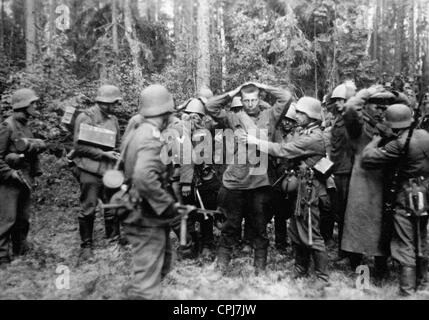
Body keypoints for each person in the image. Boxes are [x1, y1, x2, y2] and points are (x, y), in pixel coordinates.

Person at [206, 82, 292, 273]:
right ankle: (221, 266)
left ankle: (260, 269)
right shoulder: (233, 117)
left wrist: (262, 85)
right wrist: (233, 91)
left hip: (260, 182)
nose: (251, 104)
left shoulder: (270, 115)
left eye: (254, 99)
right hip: (236, 180)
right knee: (230, 225)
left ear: (259, 99)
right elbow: (211, 106)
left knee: (260, 227)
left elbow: (285, 96)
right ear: (242, 101)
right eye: (247, 100)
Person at [245, 96, 331, 286]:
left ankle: (323, 278)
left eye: (301, 113)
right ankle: (301, 269)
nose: (297, 115)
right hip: (300, 189)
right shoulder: (305, 132)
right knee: (296, 230)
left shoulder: (314, 137)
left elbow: (284, 149)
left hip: (309, 191)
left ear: (312, 116)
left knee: (311, 233)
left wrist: (255, 142)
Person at [121, 84, 183, 300]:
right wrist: (167, 204)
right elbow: (143, 176)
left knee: (162, 265)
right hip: (144, 215)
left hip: (144, 211)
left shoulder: (136, 131)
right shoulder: (150, 137)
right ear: (165, 112)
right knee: (147, 285)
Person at [341, 85, 409, 282]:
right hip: (362, 187)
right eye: (376, 106)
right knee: (359, 233)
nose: (381, 110)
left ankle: (382, 272)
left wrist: (396, 94)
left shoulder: (392, 127)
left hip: (387, 185)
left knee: (384, 232)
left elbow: (406, 108)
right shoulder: (358, 128)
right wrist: (367, 92)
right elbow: (350, 108)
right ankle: (362, 277)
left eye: (385, 107)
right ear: (367, 106)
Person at [361, 104, 429, 295]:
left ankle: (406, 292)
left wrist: (377, 139)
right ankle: (423, 285)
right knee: (422, 239)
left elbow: (367, 158)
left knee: (404, 243)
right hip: (425, 194)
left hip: (406, 196)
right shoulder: (424, 135)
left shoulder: (399, 144)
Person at [71, 85, 122, 261]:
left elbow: (116, 143)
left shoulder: (113, 119)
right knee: (89, 208)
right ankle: (86, 247)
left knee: (111, 207)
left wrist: (116, 154)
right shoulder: (86, 117)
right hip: (89, 169)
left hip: (108, 169)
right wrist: (102, 154)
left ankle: (113, 242)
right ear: (104, 102)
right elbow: (79, 146)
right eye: (112, 103)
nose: (114, 107)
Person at [0, 88, 43, 266]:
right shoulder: (7, 126)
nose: (35, 106)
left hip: (25, 178)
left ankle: (19, 248)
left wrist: (35, 171)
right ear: (24, 105)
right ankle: (2, 256)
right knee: (7, 218)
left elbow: (31, 152)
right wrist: (9, 173)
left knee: (23, 218)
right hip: (8, 180)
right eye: (33, 103)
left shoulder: (26, 125)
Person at [179, 98, 221, 259]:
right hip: (188, 181)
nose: (193, 119)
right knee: (187, 214)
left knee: (206, 214)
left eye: (197, 116)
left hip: (204, 180)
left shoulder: (203, 131)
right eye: (190, 116)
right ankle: (192, 243)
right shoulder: (182, 130)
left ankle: (207, 244)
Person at [328, 82, 356, 258]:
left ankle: (347, 251)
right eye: (336, 100)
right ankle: (343, 249)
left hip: (348, 171)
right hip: (337, 170)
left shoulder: (351, 120)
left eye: (341, 100)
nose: (338, 103)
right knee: (338, 211)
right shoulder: (338, 119)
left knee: (348, 213)